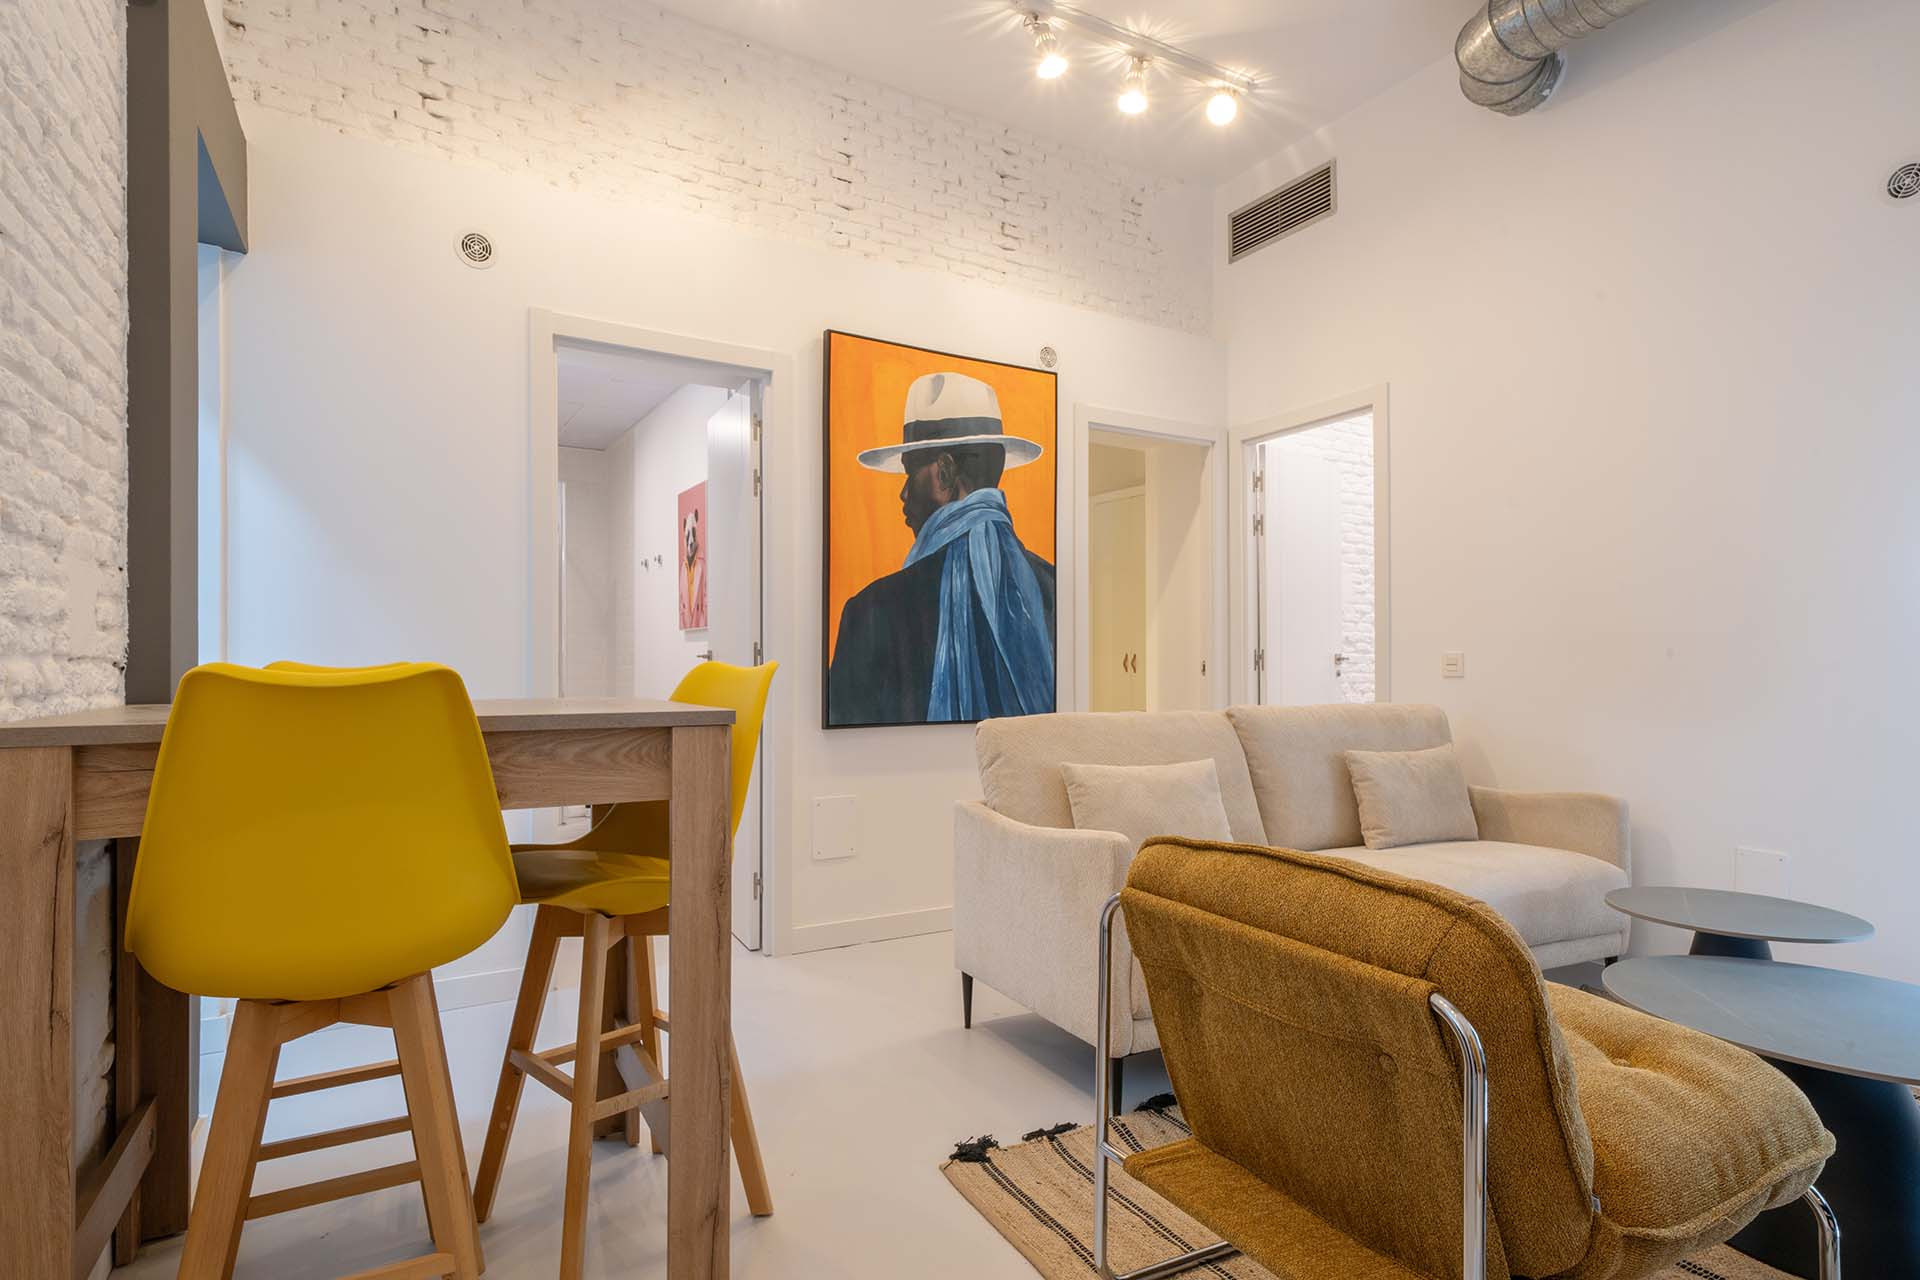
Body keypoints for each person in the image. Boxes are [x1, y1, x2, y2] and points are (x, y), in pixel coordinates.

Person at [829, 371, 1055, 726]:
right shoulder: (1052, 589)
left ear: (946, 472)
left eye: (910, 473)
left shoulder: (872, 612)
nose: (903, 493)